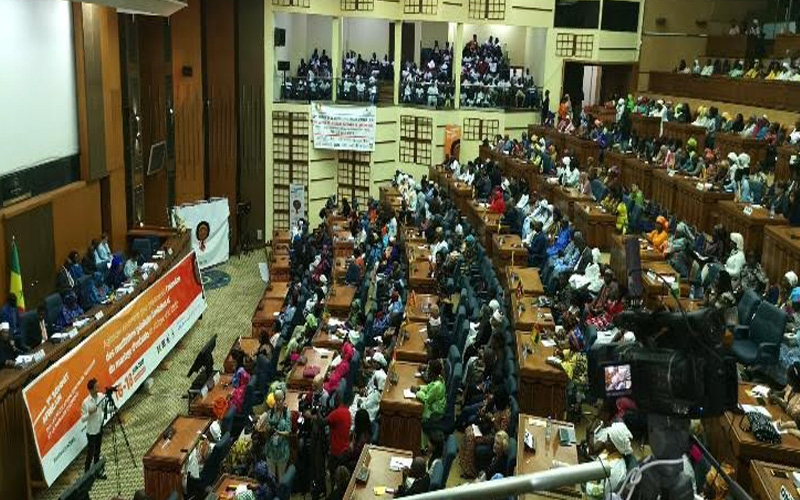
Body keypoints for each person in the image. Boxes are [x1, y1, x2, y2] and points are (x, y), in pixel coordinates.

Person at [412, 358, 446, 451]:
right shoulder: (438, 379)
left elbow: (426, 399)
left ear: (433, 373)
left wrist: (416, 393)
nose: (427, 372)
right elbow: (428, 387)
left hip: (435, 412)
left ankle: (423, 447)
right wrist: (419, 388)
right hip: (433, 407)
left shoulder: (437, 386)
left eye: (429, 370)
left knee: (423, 421)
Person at [262, 388, 291, 480]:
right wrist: (268, 429)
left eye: (280, 399)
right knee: (271, 478)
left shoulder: (286, 413)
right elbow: (266, 429)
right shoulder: (270, 412)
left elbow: (288, 432)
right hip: (271, 450)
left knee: (281, 477)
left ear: (283, 399)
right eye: (277, 400)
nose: (279, 402)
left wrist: (278, 432)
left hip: (282, 451)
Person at [81, 378, 107, 477]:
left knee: (97, 452)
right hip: (91, 432)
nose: (98, 388)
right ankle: (86, 474)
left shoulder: (101, 396)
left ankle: (98, 471)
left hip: (99, 428)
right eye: (96, 387)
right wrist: (89, 413)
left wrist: (112, 409)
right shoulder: (86, 402)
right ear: (91, 390)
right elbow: (83, 419)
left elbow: (104, 408)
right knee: (90, 454)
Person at [326, 392, 353, 477]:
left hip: (336, 452)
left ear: (337, 401)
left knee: (333, 475)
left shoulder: (336, 413)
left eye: (334, 400)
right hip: (345, 451)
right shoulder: (348, 412)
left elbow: (322, 422)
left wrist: (317, 412)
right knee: (342, 475)